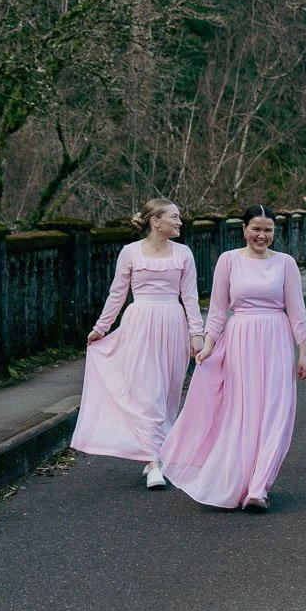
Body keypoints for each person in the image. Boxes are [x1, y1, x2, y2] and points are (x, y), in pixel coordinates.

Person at [159, 205, 306, 511]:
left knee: (274, 412)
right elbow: (217, 312)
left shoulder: (286, 263)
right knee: (243, 411)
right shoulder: (228, 261)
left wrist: (303, 352)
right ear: (244, 229)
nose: (262, 235)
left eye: (268, 230)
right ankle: (237, 478)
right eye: (256, 228)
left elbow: (296, 310)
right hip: (241, 339)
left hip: (276, 339)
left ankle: (259, 488)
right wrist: (207, 346)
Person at [71, 199, 203, 488]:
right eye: (174, 217)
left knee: (168, 393)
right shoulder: (130, 252)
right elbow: (117, 294)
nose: (180, 222)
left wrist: (197, 334)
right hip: (139, 323)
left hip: (172, 322)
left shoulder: (184, 253)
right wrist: (101, 328)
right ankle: (154, 461)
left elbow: (190, 296)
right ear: (156, 221)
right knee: (147, 392)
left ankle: (156, 450)